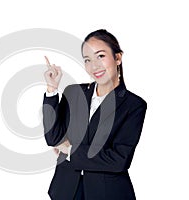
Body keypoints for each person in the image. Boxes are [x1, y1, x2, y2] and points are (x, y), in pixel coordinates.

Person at [42, 29, 147, 200]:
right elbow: (53, 138)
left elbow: (119, 159)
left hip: (107, 194)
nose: (94, 66)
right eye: (87, 60)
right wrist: (52, 90)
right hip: (65, 190)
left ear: (118, 58)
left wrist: (70, 151)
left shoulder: (133, 105)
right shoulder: (74, 93)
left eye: (100, 56)